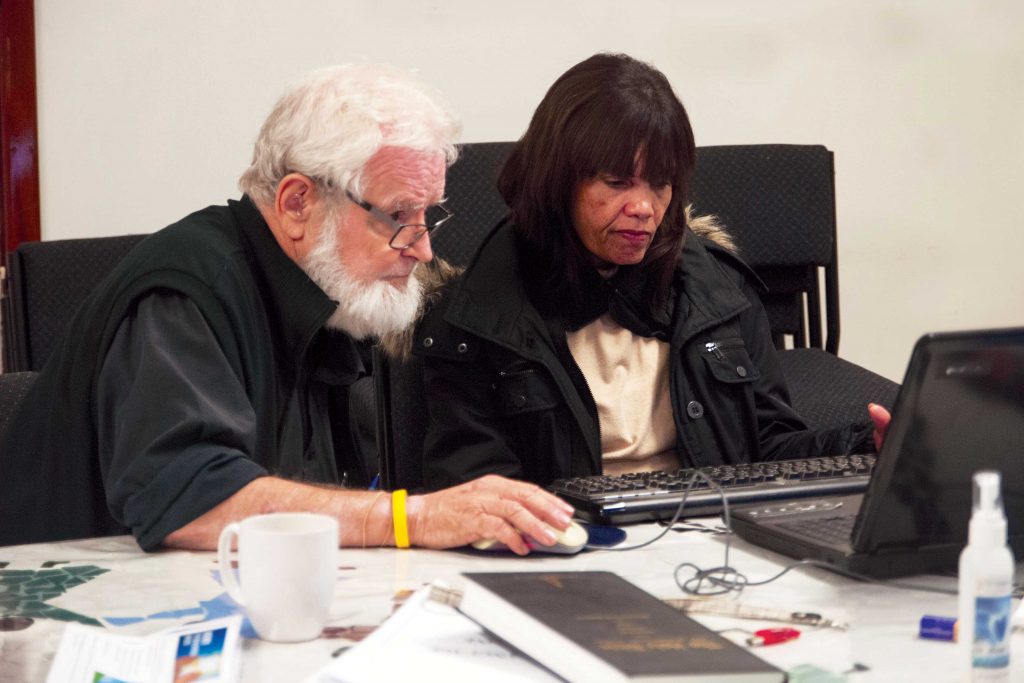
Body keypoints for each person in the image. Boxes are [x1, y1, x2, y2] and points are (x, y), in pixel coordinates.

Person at [0, 64, 574, 555]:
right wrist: (408, 520)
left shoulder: (335, 294)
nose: (423, 248)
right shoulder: (187, 289)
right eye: (400, 217)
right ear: (298, 202)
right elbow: (186, 499)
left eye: (429, 216)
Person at [415, 53, 890, 489]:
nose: (644, 207)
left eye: (660, 184)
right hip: (572, 555)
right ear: (556, 182)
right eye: (618, 182)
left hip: (715, 544)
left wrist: (867, 448)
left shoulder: (716, 291)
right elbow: (474, 498)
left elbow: (768, 454)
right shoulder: (476, 318)